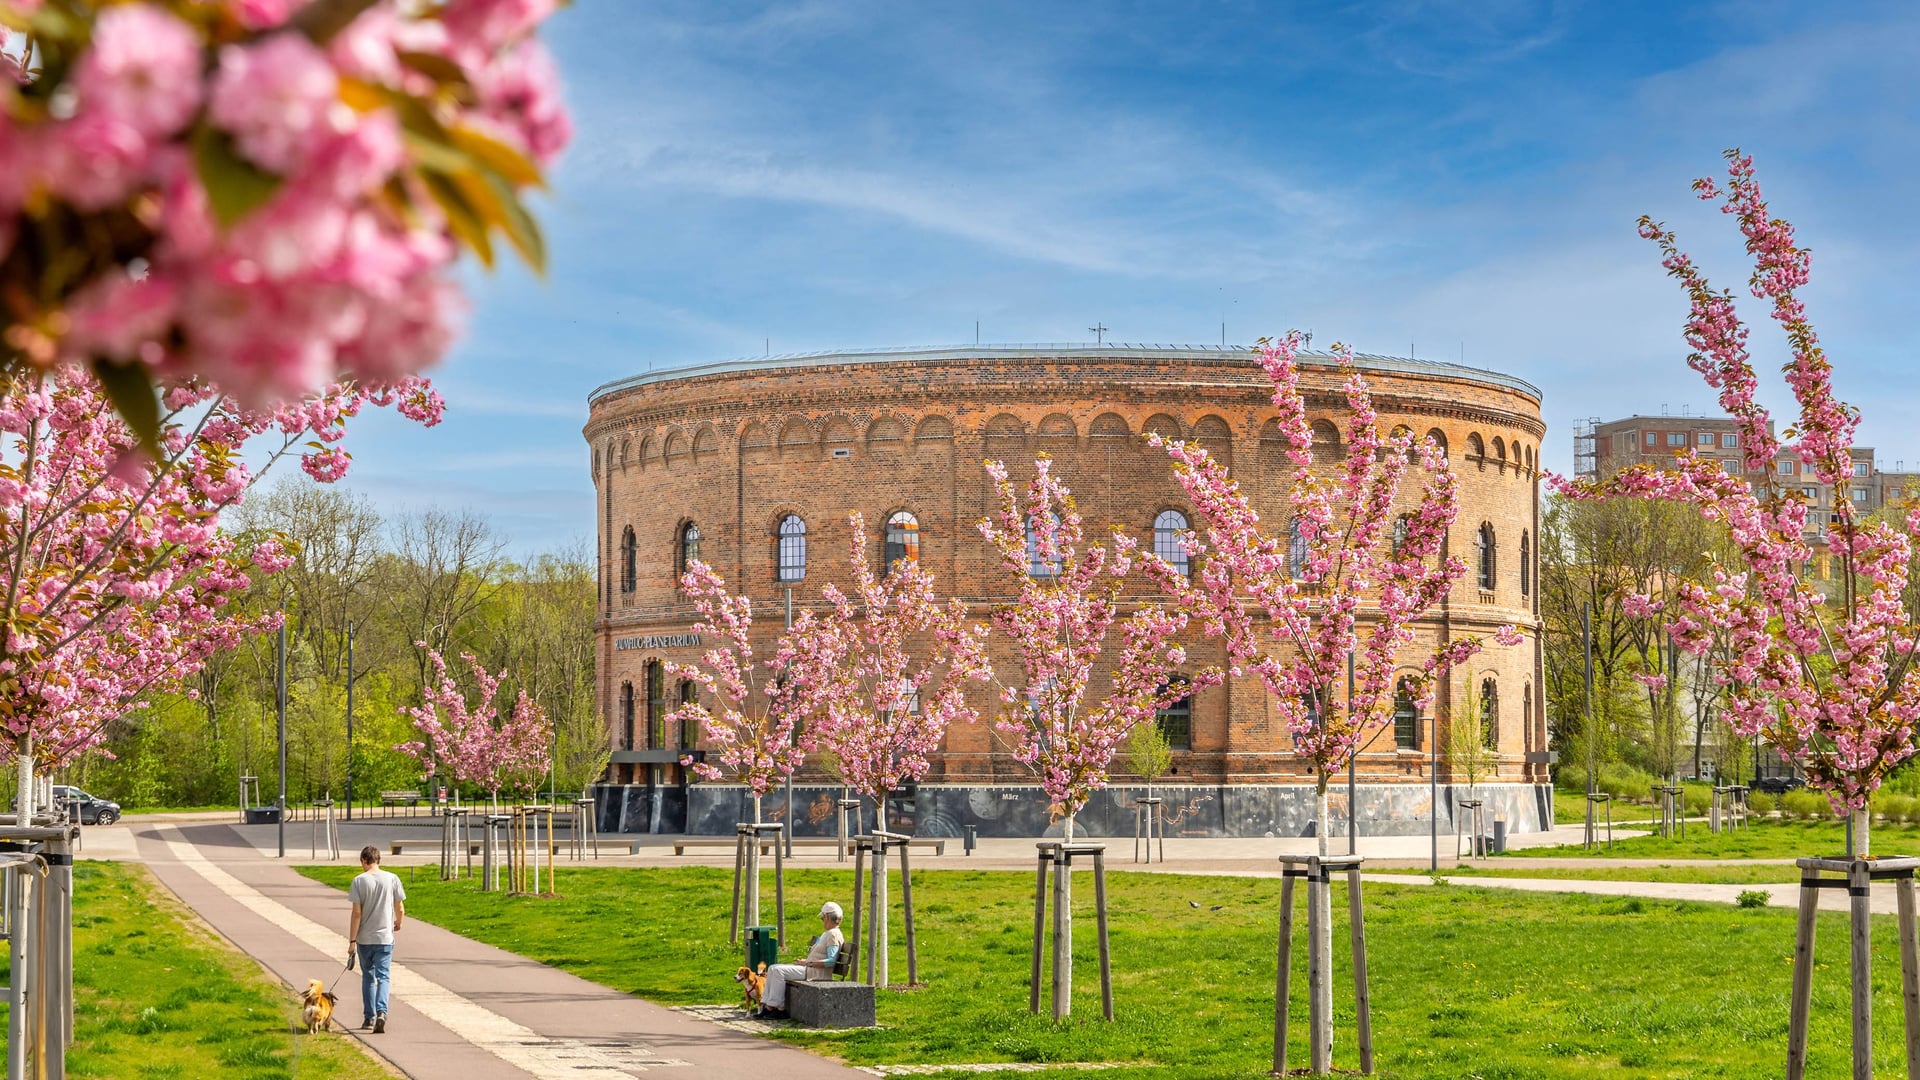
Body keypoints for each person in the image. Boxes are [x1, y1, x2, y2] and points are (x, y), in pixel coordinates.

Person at [347, 844, 406, 1033]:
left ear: (364, 860)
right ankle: (382, 1012)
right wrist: (399, 922)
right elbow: (400, 907)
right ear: (378, 860)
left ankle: (369, 1017)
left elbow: (357, 913)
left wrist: (352, 941)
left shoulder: (358, 881)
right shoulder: (392, 879)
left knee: (368, 977)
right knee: (384, 976)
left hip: (365, 938)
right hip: (385, 938)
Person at [758, 901, 843, 1020]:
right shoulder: (828, 933)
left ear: (827, 917)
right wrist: (806, 961)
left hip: (814, 973)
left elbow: (830, 961)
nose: (823, 921)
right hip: (810, 969)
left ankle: (778, 1008)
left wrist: (809, 963)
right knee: (773, 968)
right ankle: (768, 1007)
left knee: (778, 971)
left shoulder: (833, 934)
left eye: (822, 918)